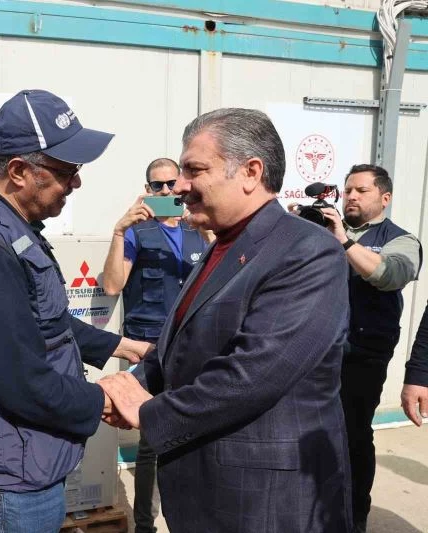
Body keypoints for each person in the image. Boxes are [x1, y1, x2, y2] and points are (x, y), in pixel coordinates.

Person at [99, 108, 353, 533]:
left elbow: (255, 373)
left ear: (251, 172)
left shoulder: (307, 251)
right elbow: (175, 351)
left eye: (194, 170)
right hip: (206, 491)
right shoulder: (218, 246)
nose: (180, 186)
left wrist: (149, 411)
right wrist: (131, 384)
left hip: (264, 502)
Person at [0, 89, 152, 532]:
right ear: (18, 172)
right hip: (8, 476)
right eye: (67, 171)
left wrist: (123, 345)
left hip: (20, 458)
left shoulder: (9, 226)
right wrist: (105, 399)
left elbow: (40, 319)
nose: (77, 182)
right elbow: (21, 382)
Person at [101, 157, 210, 533]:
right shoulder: (137, 231)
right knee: (150, 442)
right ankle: (145, 526)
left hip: (193, 346)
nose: (165, 192)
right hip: (148, 350)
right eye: (156, 186)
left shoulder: (199, 227)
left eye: (171, 184)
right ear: (147, 190)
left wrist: (209, 230)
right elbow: (113, 285)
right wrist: (119, 232)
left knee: (194, 437)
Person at [314, 164, 421, 533]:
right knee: (311, 430)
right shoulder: (322, 229)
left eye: (361, 190)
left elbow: (387, 275)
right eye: (348, 191)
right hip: (316, 350)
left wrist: (343, 240)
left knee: (353, 433)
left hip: (362, 354)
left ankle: (354, 514)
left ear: (384, 197)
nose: (352, 197)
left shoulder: (401, 239)